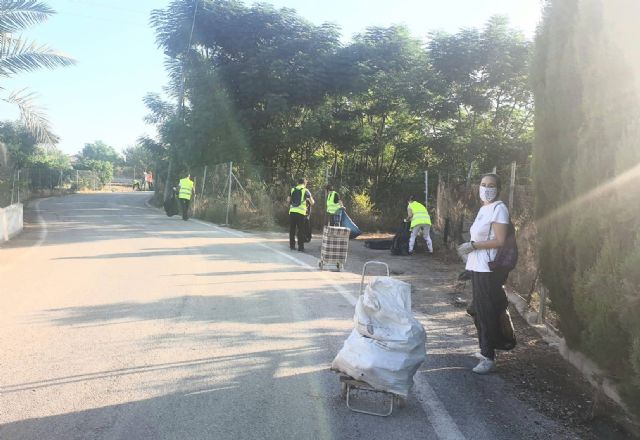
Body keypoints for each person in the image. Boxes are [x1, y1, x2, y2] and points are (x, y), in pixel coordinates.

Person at [457, 173, 510, 374]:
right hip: (478, 267)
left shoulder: (499, 209)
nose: (486, 188)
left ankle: (488, 356)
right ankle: (485, 349)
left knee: (486, 312)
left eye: (491, 185)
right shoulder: (484, 208)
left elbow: (500, 240)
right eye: (483, 184)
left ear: (498, 188)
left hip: (489, 269)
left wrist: (473, 245)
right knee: (479, 310)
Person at [288, 178, 314, 252]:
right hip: (301, 213)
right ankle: (300, 247)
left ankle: (292, 246)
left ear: (298, 183)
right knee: (301, 230)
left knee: (292, 229)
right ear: (304, 183)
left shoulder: (293, 189)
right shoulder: (306, 190)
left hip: (292, 212)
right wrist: (307, 200)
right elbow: (312, 202)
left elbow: (288, 200)